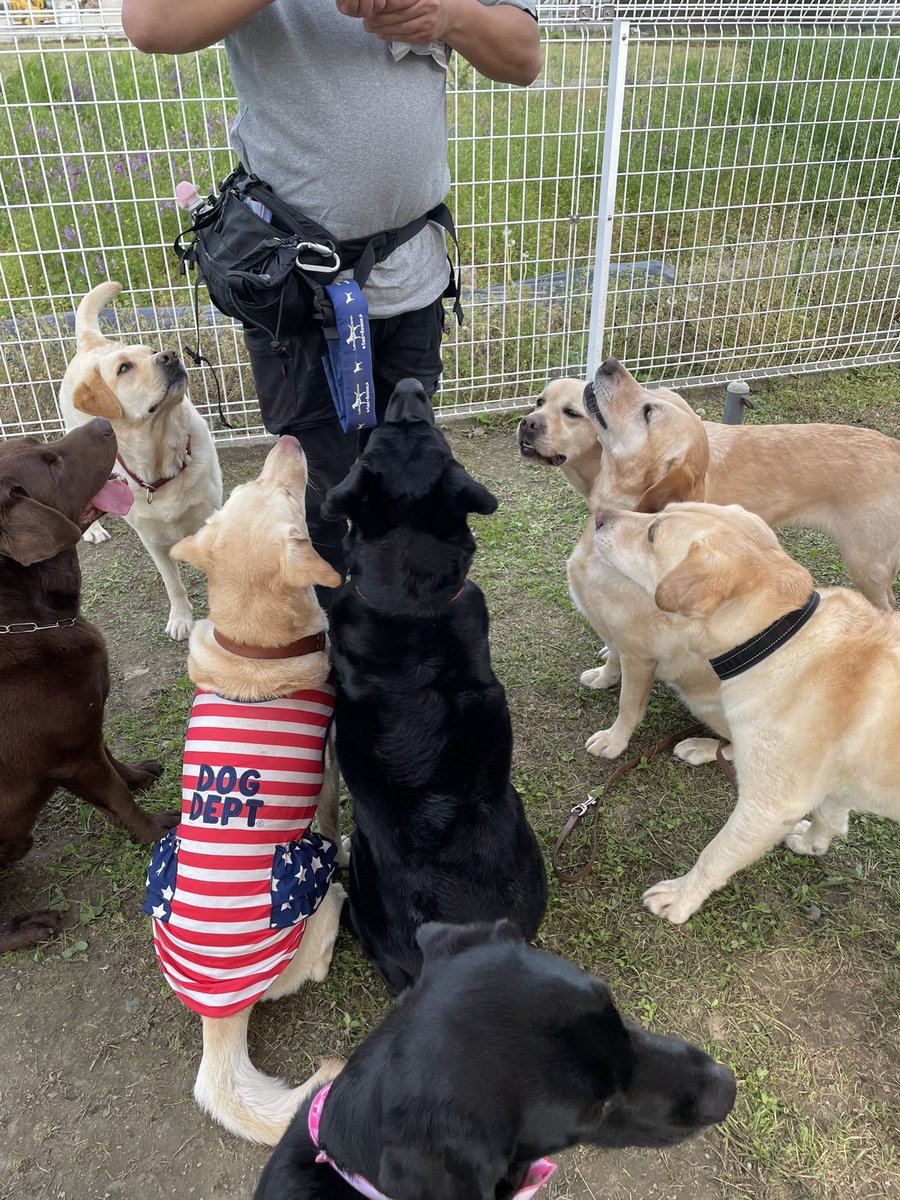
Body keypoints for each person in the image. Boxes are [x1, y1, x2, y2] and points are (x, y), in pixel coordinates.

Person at [122, 0, 541, 588]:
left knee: (407, 468)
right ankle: (339, 639)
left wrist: (449, 17)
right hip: (295, 288)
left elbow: (524, 55)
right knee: (321, 487)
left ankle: (404, 619)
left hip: (412, 275)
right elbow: (150, 23)